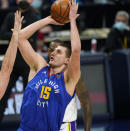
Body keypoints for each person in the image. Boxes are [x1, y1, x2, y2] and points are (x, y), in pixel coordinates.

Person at [17, 0, 81, 130]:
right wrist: (48, 19)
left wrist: (72, 20)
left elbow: (75, 50)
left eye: (59, 52)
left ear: (67, 60)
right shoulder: (39, 67)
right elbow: (19, 38)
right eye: (53, 50)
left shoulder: (68, 79)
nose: (53, 53)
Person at [0, 0, 38, 130]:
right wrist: (18, 34)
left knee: (30, 99)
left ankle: (31, 125)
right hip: (11, 64)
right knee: (2, 97)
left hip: (27, 65)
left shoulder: (34, 17)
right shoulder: (10, 16)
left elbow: (30, 36)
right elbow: (2, 35)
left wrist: (15, 34)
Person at [48, 41, 92, 131]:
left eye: (58, 51)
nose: (53, 53)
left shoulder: (72, 75)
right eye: (51, 49)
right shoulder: (42, 72)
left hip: (64, 126)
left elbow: (86, 103)